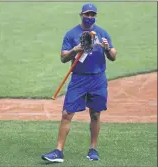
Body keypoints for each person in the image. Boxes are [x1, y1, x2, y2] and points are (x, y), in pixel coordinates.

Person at [41, 3, 117, 163]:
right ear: (81, 15)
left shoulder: (102, 33)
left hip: (98, 79)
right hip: (78, 79)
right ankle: (58, 151)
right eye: (87, 14)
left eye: (92, 15)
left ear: (95, 16)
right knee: (67, 114)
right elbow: (63, 57)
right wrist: (75, 49)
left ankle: (93, 149)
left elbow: (113, 55)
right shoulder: (71, 34)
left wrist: (107, 48)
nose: (89, 17)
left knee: (95, 114)